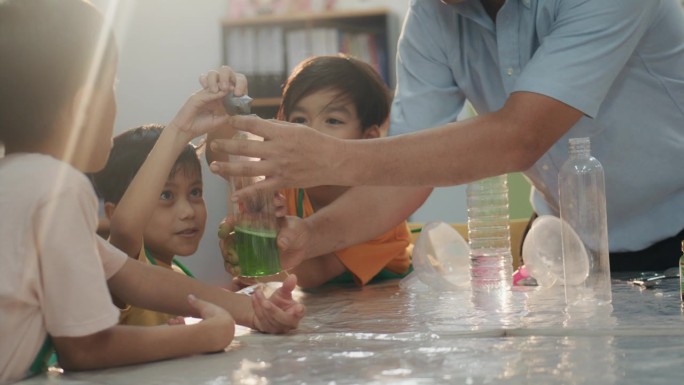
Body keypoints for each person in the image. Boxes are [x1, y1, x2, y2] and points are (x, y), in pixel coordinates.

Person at [208, 0, 684, 273]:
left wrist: (332, 157)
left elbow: (520, 136)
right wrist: (308, 237)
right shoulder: (434, 18)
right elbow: (405, 174)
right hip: (565, 243)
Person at [0, 1, 303, 383]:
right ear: (85, 107)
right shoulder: (57, 189)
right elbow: (84, 348)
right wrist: (199, 335)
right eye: (113, 85)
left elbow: (134, 277)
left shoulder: (18, 184)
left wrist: (250, 311)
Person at [214, 56, 412, 289]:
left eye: (333, 120)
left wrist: (261, 254)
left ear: (368, 139)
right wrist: (223, 106)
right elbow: (224, 158)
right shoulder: (284, 187)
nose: (310, 135)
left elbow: (309, 276)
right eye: (299, 120)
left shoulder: (383, 210)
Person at [90, 124, 210, 325]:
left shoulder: (178, 271)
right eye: (166, 195)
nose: (188, 212)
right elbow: (126, 228)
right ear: (114, 213)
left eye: (195, 192)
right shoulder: (125, 265)